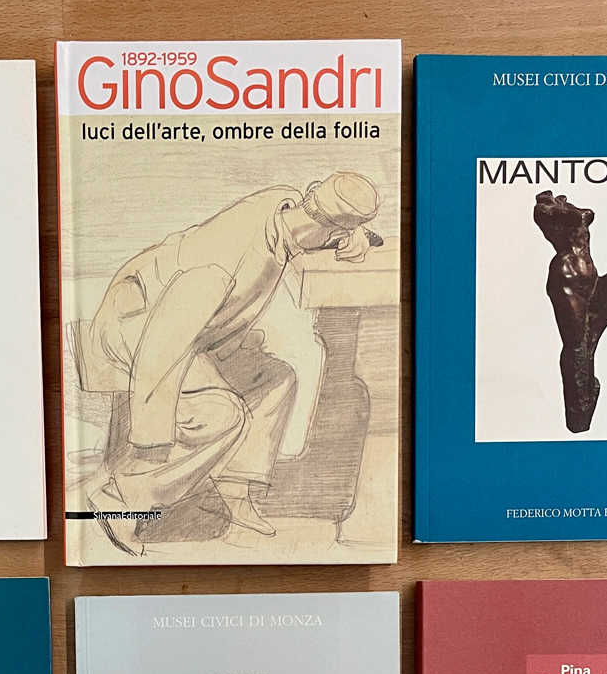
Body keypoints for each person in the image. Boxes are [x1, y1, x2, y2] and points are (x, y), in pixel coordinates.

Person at [80, 172, 383, 554]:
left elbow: (311, 227)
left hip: (192, 331)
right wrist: (148, 447)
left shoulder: (285, 205)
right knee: (225, 415)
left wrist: (352, 232)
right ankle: (123, 500)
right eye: (336, 237)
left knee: (277, 379)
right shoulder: (217, 268)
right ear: (330, 232)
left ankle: (236, 493)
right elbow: (159, 355)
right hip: (134, 331)